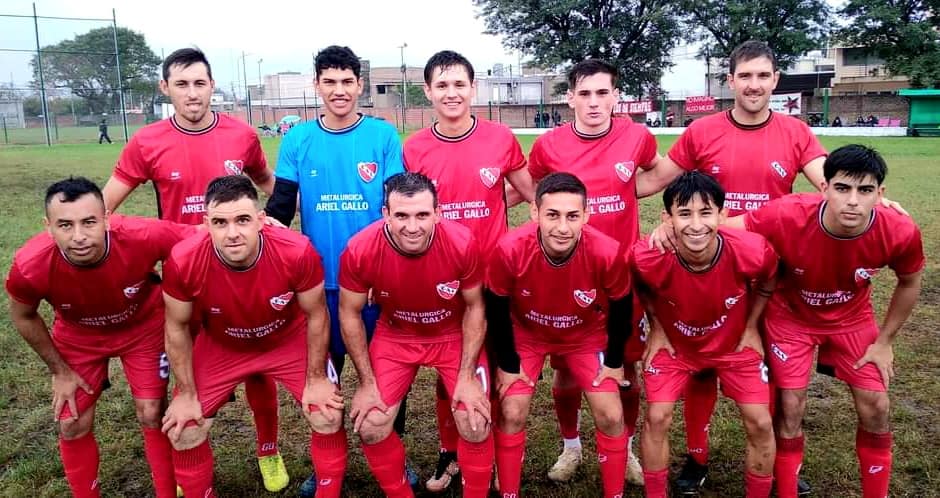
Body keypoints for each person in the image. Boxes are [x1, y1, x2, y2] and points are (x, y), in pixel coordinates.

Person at [99, 47, 288, 491]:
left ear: (212, 85)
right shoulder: (147, 142)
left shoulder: (241, 135)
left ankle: (268, 450)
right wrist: (169, 238)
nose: (192, 93)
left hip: (246, 271)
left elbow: (269, 185)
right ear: (166, 88)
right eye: (181, 84)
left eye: (199, 83)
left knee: (259, 366)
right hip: (186, 280)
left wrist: (275, 217)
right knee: (188, 374)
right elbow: (104, 209)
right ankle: (191, 464)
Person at [726, 145, 924, 498]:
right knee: (790, 408)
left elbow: (909, 282)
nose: (852, 201)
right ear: (824, 188)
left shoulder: (899, 230)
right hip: (790, 318)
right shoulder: (787, 214)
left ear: (880, 194)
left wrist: (885, 342)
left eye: (865, 191)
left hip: (853, 319)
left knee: (877, 406)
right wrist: (668, 233)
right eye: (842, 188)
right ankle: (786, 491)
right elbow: (723, 229)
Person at [262, 45, 410, 496]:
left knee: (382, 380)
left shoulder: (382, 137)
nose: (339, 90)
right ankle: (328, 465)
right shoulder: (298, 139)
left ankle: (394, 457)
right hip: (319, 287)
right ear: (317, 85)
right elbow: (282, 208)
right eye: (330, 81)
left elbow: (396, 206)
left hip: (374, 285)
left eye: (347, 81)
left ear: (360, 85)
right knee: (325, 380)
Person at [6, 177, 198, 498]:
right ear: (48, 227)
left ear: (107, 218)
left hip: (143, 329)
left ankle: (166, 492)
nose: (79, 236)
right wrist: (60, 371)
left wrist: (267, 227)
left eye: (89, 222)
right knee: (71, 422)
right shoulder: (30, 265)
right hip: (78, 337)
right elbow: (23, 315)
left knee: (151, 412)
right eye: (65, 225)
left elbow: (200, 236)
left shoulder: (141, 235)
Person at [160, 175, 346, 498]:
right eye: (220, 222)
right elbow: (175, 327)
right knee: (185, 428)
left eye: (243, 220)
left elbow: (317, 314)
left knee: (327, 413)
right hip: (223, 343)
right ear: (206, 224)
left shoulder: (296, 251)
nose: (232, 233)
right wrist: (186, 393)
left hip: (286, 338)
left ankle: (311, 481)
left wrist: (316, 378)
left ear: (261, 220)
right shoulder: (183, 259)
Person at [527, 58, 664, 486]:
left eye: (602, 93)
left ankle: (624, 450)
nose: (593, 102)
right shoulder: (549, 146)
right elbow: (531, 190)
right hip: (567, 277)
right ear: (570, 98)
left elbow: (657, 171)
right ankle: (571, 446)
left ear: (616, 96)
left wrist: (628, 190)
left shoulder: (637, 136)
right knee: (568, 368)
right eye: (584, 93)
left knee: (626, 369)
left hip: (622, 278)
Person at [402, 49, 534, 492]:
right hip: (440, 279)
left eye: (460, 84)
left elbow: (528, 194)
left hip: (494, 278)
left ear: (473, 88)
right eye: (442, 85)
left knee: (494, 365)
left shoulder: (500, 138)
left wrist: (497, 205)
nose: (452, 92)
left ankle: (490, 452)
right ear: (428, 92)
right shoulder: (415, 147)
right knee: (450, 368)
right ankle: (451, 452)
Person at [339, 172, 493, 498]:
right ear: (385, 214)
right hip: (396, 335)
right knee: (371, 424)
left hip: (452, 334)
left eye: (422, 215)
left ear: (438, 213)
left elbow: (476, 308)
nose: (412, 226)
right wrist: (366, 383)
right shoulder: (360, 248)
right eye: (401, 215)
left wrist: (467, 376)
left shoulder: (462, 242)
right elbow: (349, 312)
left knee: (474, 421)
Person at [489, 172, 633, 498]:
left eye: (572, 216)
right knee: (511, 411)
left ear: (587, 215)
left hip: (585, 335)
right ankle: (509, 490)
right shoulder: (509, 249)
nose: (562, 227)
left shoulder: (607, 251)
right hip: (528, 334)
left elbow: (622, 307)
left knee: (611, 414)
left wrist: (613, 362)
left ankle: (615, 493)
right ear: (534, 213)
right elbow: (496, 307)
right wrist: (509, 364)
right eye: (552, 215)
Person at [635, 171, 777, 498]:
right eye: (684, 214)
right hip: (676, 348)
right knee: (657, 417)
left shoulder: (753, 250)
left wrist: (753, 325)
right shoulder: (647, 255)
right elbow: (639, 281)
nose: (696, 224)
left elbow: (769, 278)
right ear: (667, 219)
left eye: (706, 212)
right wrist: (656, 326)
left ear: (723, 215)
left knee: (760, 421)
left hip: (734, 345)